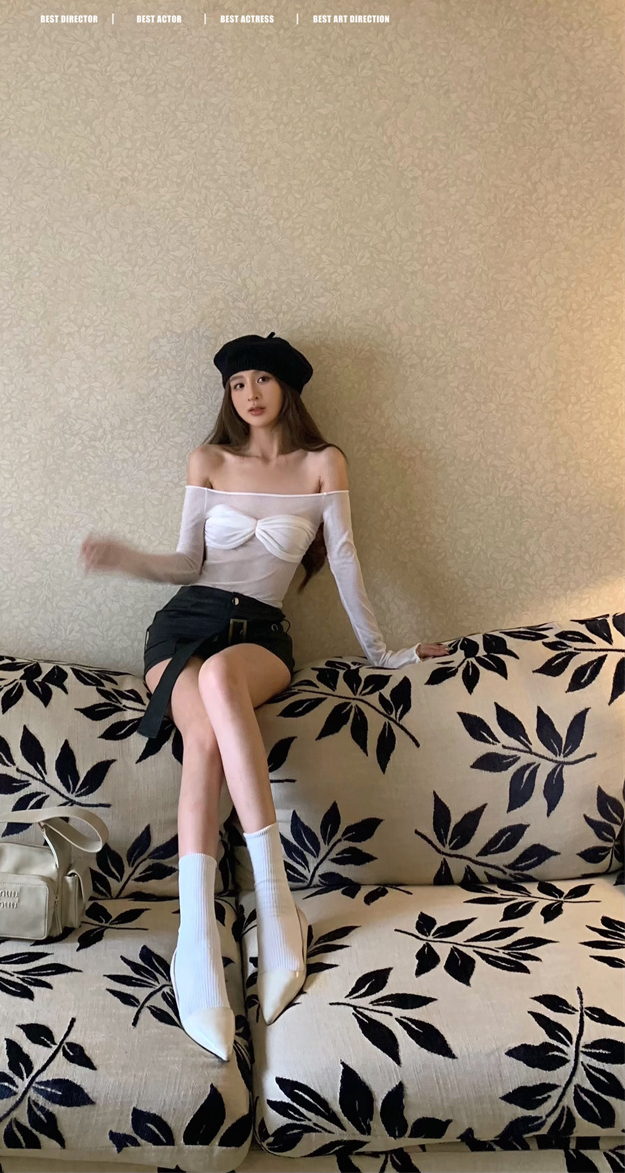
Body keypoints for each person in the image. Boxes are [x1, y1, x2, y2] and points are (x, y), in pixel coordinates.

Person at [79, 331, 451, 1064]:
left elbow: (344, 562)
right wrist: (129, 560)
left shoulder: (323, 463)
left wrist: (385, 653)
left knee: (223, 680)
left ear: (287, 387)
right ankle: (197, 937)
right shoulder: (208, 461)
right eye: (236, 382)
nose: (248, 393)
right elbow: (187, 561)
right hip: (183, 628)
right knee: (203, 734)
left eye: (261, 379)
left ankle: (277, 905)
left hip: (260, 636)